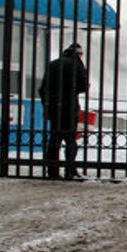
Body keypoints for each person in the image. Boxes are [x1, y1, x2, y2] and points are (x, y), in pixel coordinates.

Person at [39, 42, 88, 180]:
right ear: (78, 54)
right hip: (69, 109)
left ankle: (52, 171)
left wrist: (48, 105)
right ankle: (70, 170)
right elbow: (83, 86)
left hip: (55, 110)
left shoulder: (53, 64)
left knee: (55, 141)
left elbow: (43, 89)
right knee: (71, 141)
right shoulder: (77, 64)